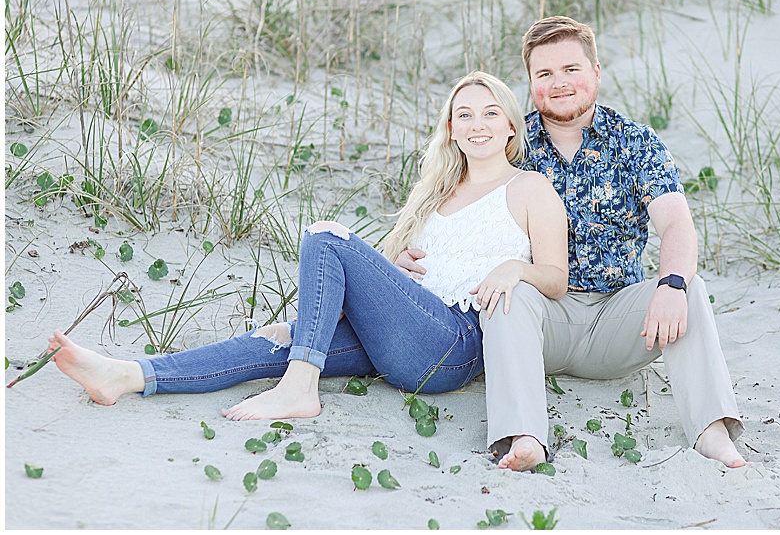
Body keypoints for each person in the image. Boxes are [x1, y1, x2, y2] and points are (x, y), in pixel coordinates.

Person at [44, 71, 569, 424]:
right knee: (274, 345)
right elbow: (386, 281)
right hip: (403, 335)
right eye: (465, 116)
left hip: (453, 342)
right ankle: (127, 375)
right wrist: (320, 318)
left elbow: (556, 277)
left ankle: (300, 386)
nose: (477, 125)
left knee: (325, 234)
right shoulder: (434, 194)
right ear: (451, 131)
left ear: (510, 125)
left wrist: (513, 268)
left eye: (489, 113)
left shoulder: (530, 188)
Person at [396, 17, 746, 471]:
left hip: (616, 319)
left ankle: (711, 431)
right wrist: (410, 253)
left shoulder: (635, 143)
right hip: (538, 319)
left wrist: (672, 282)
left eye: (571, 69)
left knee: (689, 287)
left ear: (596, 71)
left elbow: (676, 225)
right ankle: (524, 436)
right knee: (510, 289)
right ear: (529, 83)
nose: (559, 83)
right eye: (544, 74)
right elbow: (453, 208)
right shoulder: (509, 141)